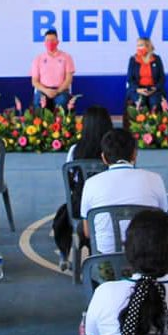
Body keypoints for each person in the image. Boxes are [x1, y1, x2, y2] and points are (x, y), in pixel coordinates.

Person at [79, 129, 168, 255]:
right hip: (147, 262)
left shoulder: (91, 183)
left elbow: (88, 232)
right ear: (134, 154)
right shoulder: (155, 179)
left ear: (103, 158)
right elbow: (163, 221)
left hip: (105, 264)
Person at [54, 107, 115, 266]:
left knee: (63, 215)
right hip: (111, 202)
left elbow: (69, 181)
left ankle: (68, 249)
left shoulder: (76, 150)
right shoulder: (114, 150)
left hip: (80, 205)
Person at [31, 28, 74, 109]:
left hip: (61, 90)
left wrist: (57, 91)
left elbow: (69, 80)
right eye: (47, 40)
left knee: (62, 101)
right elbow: (34, 81)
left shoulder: (66, 57)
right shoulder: (38, 59)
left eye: (52, 40)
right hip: (43, 90)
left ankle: (61, 122)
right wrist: (46, 91)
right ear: (44, 43)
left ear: (57, 42)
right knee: (38, 101)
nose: (50, 43)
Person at [126, 37, 166, 110]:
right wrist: (138, 89)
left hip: (153, 89)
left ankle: (153, 121)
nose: (138, 48)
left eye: (141, 45)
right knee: (140, 102)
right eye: (137, 46)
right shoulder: (133, 59)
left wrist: (155, 88)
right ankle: (140, 121)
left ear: (148, 46)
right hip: (138, 89)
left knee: (154, 102)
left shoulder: (156, 59)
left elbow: (162, 78)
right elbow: (130, 79)